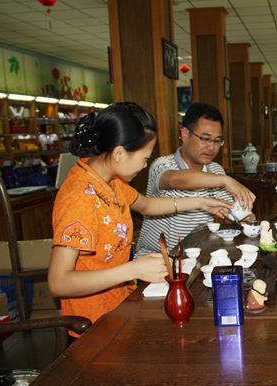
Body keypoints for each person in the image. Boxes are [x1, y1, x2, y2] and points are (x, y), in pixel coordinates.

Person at [48, 103, 232, 334]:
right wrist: (132, 270)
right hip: (95, 322)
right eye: (145, 157)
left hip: (121, 303)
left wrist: (201, 202)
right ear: (119, 153)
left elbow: (146, 205)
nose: (145, 164)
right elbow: (58, 282)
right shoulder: (79, 198)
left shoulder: (109, 181)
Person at [135, 102, 256, 257]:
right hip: (156, 257)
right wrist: (226, 180)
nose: (211, 147)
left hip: (196, 255)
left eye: (217, 140)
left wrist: (241, 217)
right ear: (185, 135)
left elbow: (227, 213)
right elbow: (173, 180)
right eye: (205, 139)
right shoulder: (163, 164)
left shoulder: (216, 171)